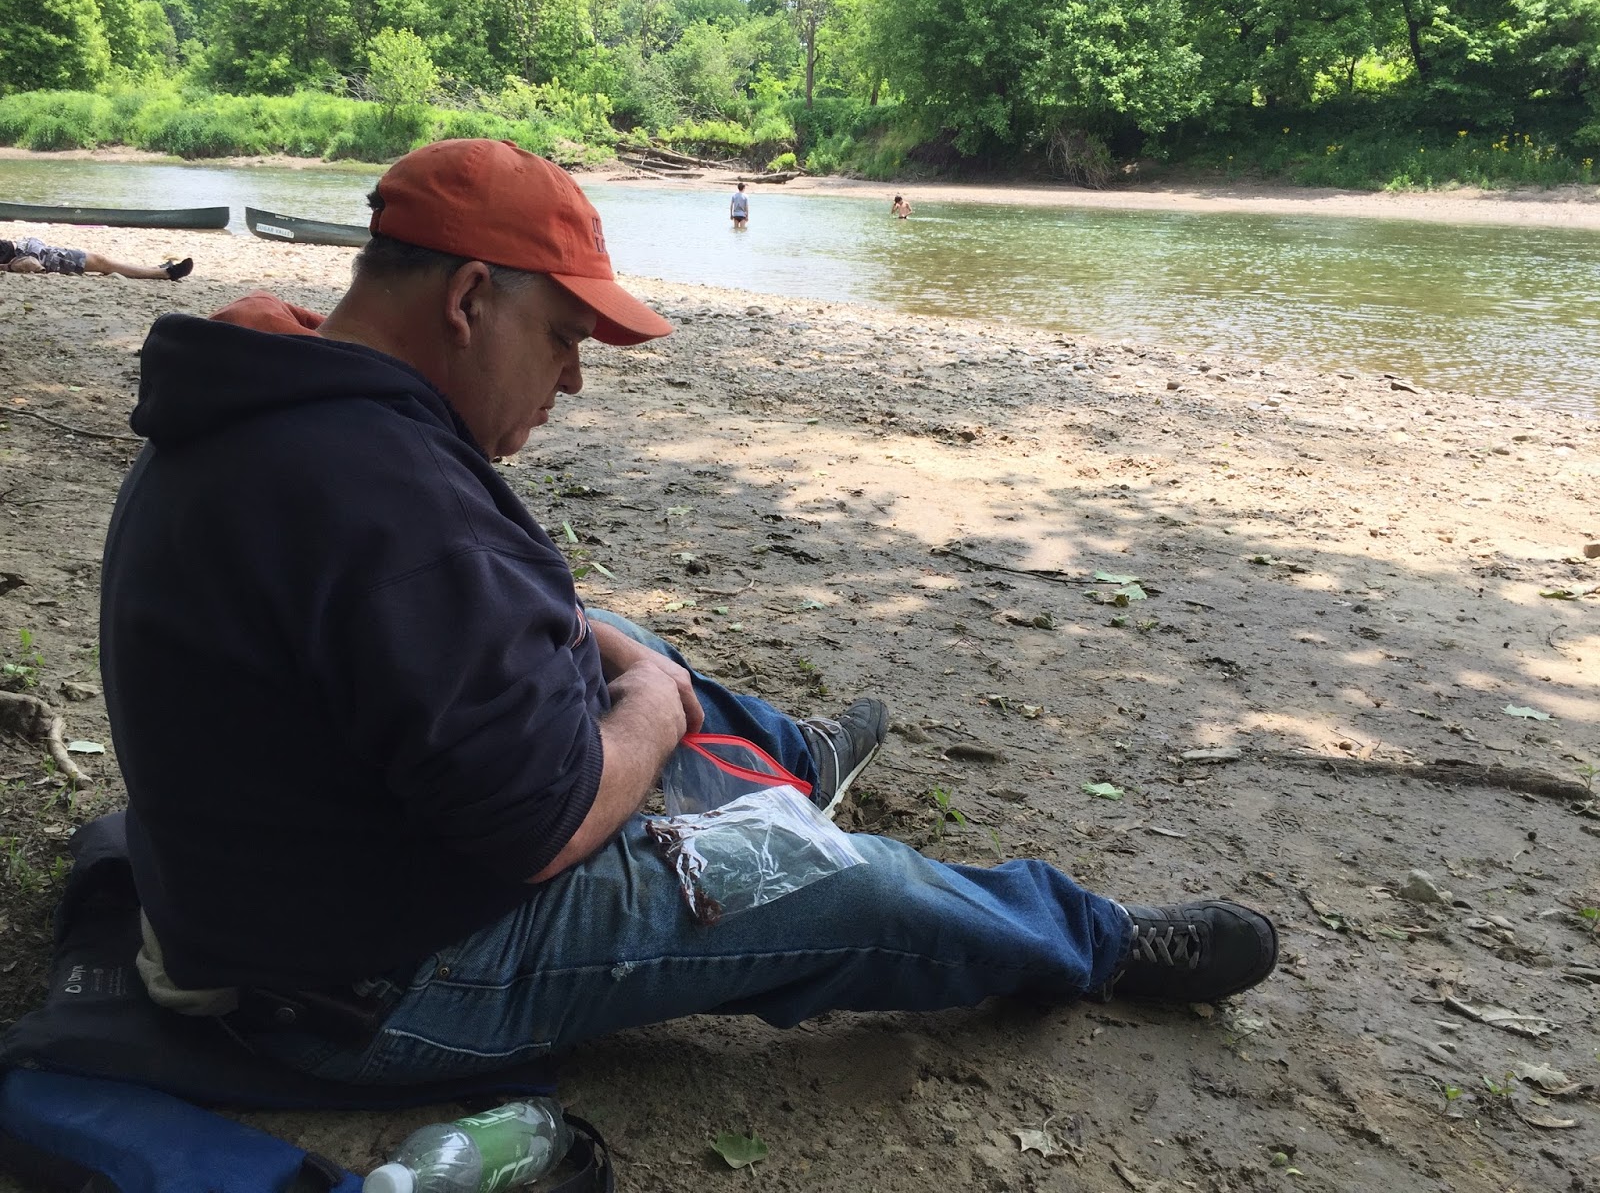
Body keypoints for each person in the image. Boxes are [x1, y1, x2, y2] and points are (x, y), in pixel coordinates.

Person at [100, 138, 1277, 1088]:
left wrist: (616, 658)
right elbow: (534, 829)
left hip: (281, 889)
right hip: (368, 991)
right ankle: (1097, 941)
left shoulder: (289, 403)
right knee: (830, 881)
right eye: (562, 338)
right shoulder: (382, 496)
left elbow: (477, 612)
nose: (573, 380)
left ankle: (786, 759)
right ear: (468, 298)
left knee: (619, 640)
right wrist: (652, 713)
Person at [1, 236, 192, 280]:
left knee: (104, 261)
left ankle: (156, 269)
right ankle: (164, 273)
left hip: (29, 248)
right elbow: (33, 265)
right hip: (35, 255)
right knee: (103, 263)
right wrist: (9, 268)